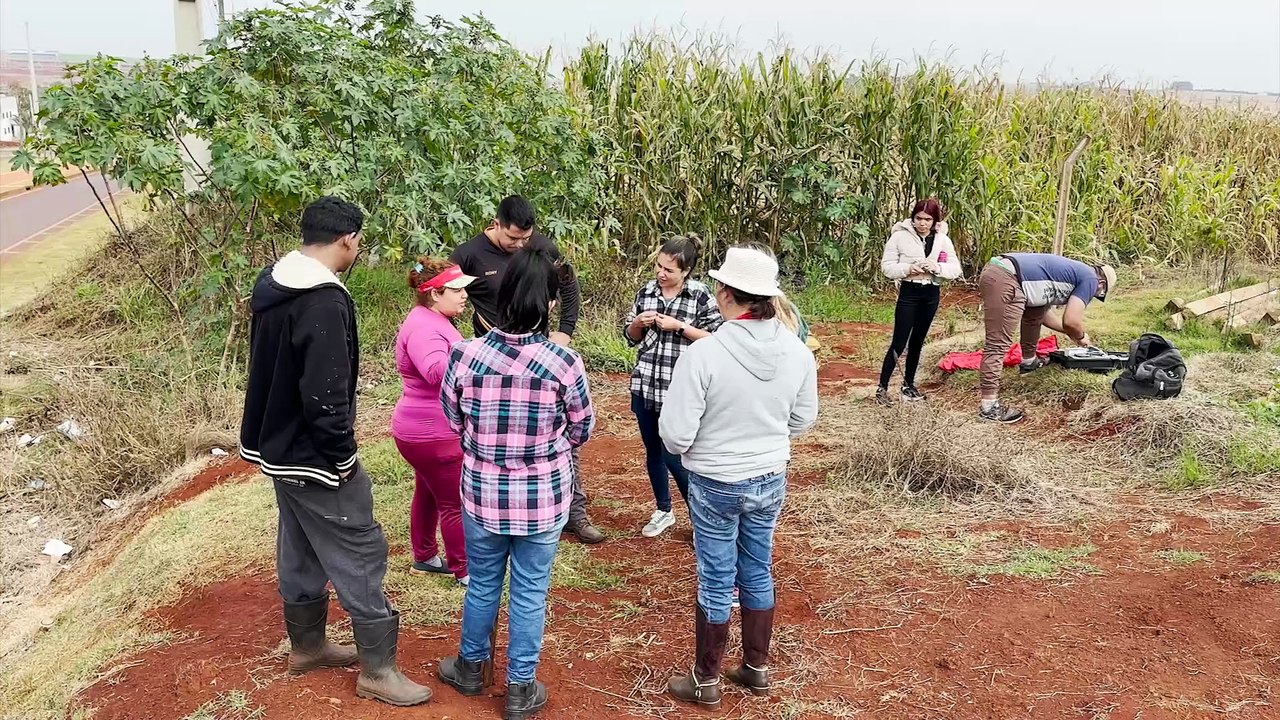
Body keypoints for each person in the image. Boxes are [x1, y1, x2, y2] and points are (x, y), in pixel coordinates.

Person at [239, 196, 431, 707]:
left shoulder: (274, 280)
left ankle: (308, 647)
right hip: (313, 455)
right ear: (348, 238)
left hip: (277, 446)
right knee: (359, 548)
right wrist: (342, 458)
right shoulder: (322, 300)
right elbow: (325, 393)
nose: (357, 249)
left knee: (300, 543)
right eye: (358, 242)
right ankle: (378, 670)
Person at [436, 247, 596, 720]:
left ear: (501, 295)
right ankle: (520, 689)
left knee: (483, 583)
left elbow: (453, 419)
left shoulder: (465, 354)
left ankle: (470, 668)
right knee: (529, 592)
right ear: (550, 304)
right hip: (543, 498)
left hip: (482, 493)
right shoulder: (564, 362)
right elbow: (581, 429)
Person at [659, 246, 819, 709]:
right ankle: (755, 667)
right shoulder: (796, 351)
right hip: (769, 473)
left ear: (725, 294)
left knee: (715, 576)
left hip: (715, 478)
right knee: (757, 565)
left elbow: (675, 434)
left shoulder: (705, 354)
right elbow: (803, 418)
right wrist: (765, 435)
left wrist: (705, 446)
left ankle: (705, 679)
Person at [450, 195, 604, 545]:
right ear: (496, 224)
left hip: (538, 356)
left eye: (526, 238)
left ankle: (574, 512)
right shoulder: (469, 255)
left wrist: (565, 331)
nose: (521, 245)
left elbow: (569, 284)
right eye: (513, 238)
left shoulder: (542, 248)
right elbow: (442, 290)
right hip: (491, 359)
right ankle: (495, 511)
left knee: (556, 433)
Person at [624, 234, 723, 538]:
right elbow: (630, 337)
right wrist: (638, 323)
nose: (661, 273)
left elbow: (718, 339)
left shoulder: (700, 296)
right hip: (645, 384)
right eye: (658, 266)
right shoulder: (646, 292)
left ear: (686, 271)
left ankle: (701, 519)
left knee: (674, 457)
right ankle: (663, 510)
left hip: (680, 390)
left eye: (669, 269)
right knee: (653, 451)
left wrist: (679, 327)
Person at [391, 257, 476, 586]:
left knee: (428, 492)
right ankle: (465, 571)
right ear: (435, 293)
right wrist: (476, 358)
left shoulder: (429, 318)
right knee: (454, 502)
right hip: (433, 433)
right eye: (456, 289)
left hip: (421, 429)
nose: (464, 295)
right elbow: (436, 371)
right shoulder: (426, 327)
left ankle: (425, 556)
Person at [977, 252, 1117, 423]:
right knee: (997, 344)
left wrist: (1071, 332)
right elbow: (1071, 321)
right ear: (1102, 284)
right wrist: (1080, 335)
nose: (1093, 295)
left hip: (1005, 272)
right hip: (1006, 277)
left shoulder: (1075, 273)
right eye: (1098, 294)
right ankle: (989, 407)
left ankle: (1029, 362)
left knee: (1035, 313)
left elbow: (1045, 317)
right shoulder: (1091, 280)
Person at [877, 198, 963, 405]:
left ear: (935, 221)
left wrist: (937, 268)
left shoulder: (942, 240)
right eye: (918, 218)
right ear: (913, 218)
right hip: (909, 292)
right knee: (899, 341)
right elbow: (887, 266)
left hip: (931, 292)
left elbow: (955, 268)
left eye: (927, 219)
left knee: (918, 341)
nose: (922, 223)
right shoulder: (899, 236)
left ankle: (908, 386)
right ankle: (882, 388)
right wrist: (907, 269)